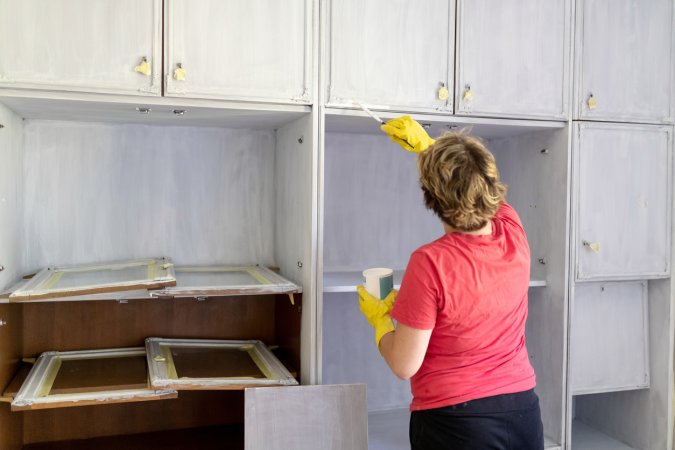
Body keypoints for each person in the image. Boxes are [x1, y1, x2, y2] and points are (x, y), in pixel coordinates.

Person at [357, 116, 544, 450]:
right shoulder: (513, 232)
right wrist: (431, 150)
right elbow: (482, 195)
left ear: (431, 199)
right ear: (489, 183)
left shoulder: (431, 263)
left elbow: (404, 364)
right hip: (522, 413)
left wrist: (381, 322)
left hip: (456, 423)